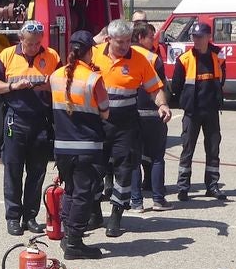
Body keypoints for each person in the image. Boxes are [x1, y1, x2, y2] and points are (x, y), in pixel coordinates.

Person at [91, 19, 172, 237]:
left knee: (124, 170)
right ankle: (95, 213)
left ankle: (116, 215)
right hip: (97, 124)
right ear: (108, 39)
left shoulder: (139, 60)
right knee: (95, 169)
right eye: (120, 42)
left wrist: (162, 104)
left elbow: (155, 88)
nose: (126, 46)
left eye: (128, 41)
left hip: (125, 125)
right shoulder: (94, 54)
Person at [0, 20, 58, 235]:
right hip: (16, 119)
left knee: (37, 172)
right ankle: (13, 218)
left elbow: (63, 81)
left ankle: (31, 217)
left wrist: (48, 84)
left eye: (37, 43)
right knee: (13, 171)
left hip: (41, 120)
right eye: (30, 44)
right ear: (21, 40)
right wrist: (12, 86)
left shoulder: (52, 56)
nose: (35, 47)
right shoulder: (7, 55)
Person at [49, 32, 109, 260]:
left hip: (62, 147)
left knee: (71, 191)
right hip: (87, 147)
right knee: (84, 194)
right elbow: (105, 111)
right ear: (88, 51)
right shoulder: (93, 79)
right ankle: (74, 243)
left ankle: (67, 235)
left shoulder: (54, 76)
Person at [171, 21, 227, 201]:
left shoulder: (218, 57)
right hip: (192, 112)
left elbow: (221, 80)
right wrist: (185, 102)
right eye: (194, 37)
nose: (196, 40)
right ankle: (183, 187)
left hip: (211, 112)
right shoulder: (184, 59)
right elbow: (176, 86)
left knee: (213, 150)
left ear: (208, 37)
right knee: (187, 150)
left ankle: (212, 186)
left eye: (200, 37)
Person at [129, 21, 171, 211]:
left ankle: (136, 201)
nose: (153, 41)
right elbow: (161, 87)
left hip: (130, 112)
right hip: (153, 112)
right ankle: (158, 199)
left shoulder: (123, 55)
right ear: (140, 37)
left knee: (134, 159)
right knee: (156, 158)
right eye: (150, 37)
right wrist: (164, 105)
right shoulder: (153, 58)